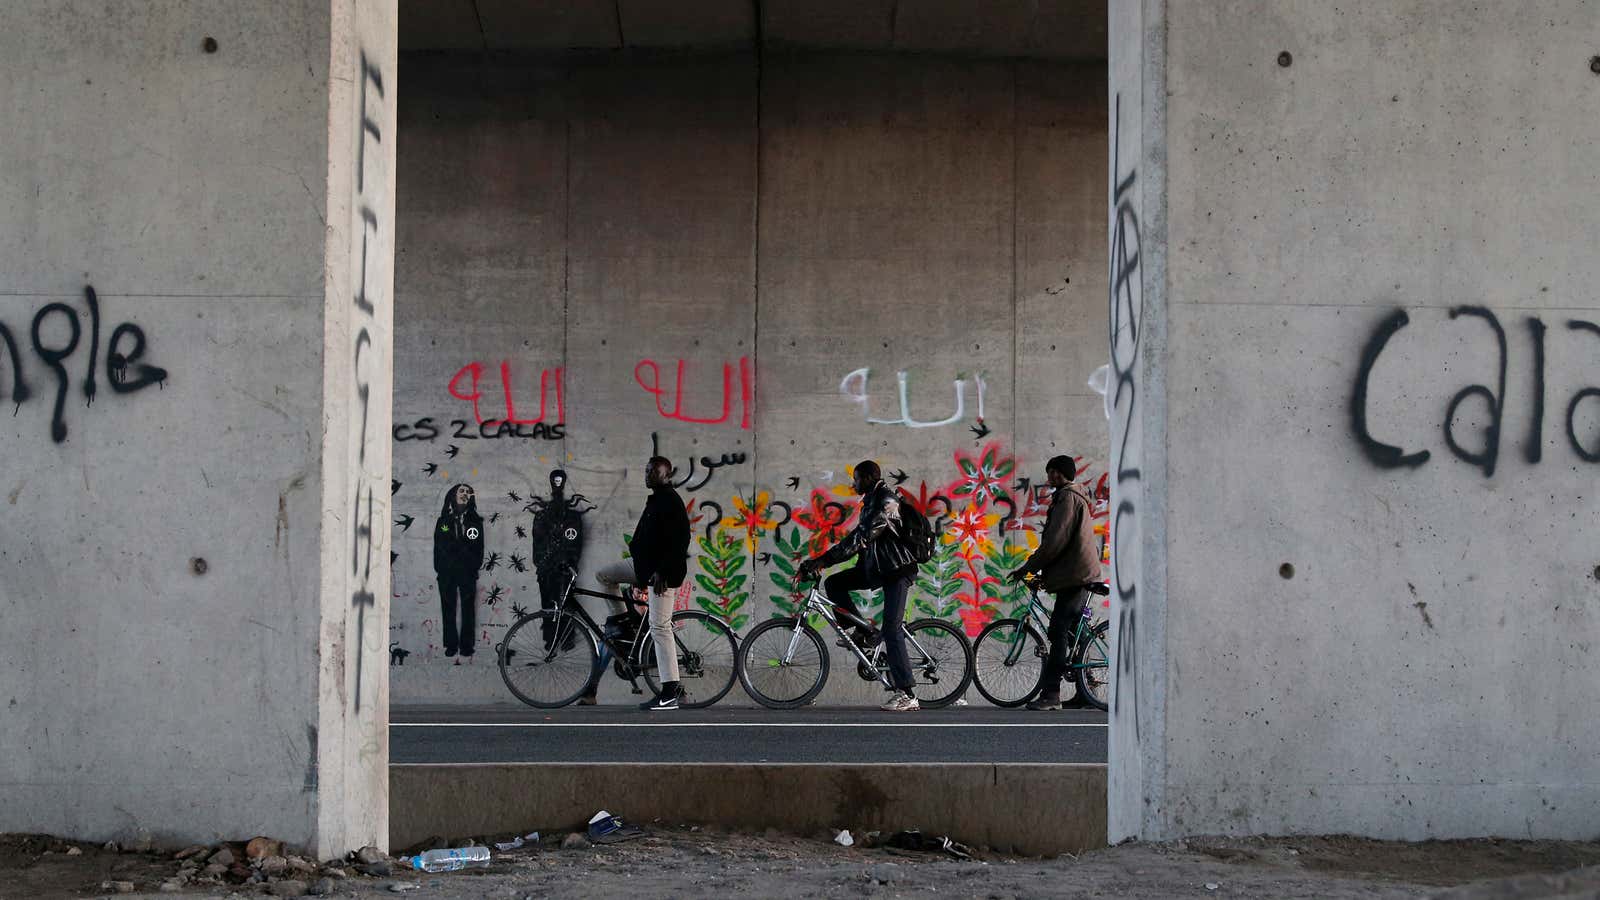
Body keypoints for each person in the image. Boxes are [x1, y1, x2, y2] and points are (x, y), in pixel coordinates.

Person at [798, 460, 922, 712]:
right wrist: (825, 562)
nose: (853, 484)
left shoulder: (886, 502)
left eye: (856, 479)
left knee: (891, 628)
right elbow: (859, 540)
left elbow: (861, 537)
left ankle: (907, 694)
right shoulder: (871, 501)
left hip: (897, 571)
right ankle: (863, 633)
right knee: (835, 583)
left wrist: (824, 559)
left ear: (867, 478)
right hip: (877, 569)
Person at [595, 456, 690, 710]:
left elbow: (679, 542)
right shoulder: (656, 499)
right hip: (643, 567)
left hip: (661, 575)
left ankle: (670, 691)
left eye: (653, 472)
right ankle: (625, 624)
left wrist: (662, 572)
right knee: (604, 576)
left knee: (659, 627)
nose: (647, 475)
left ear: (666, 475)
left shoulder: (670, 501)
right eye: (646, 470)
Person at [1008, 455, 1102, 710]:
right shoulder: (1073, 496)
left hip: (1076, 576)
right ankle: (1086, 690)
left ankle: (1051, 694)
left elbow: (1054, 543)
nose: (1048, 478)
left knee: (1058, 632)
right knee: (1074, 632)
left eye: (1050, 473)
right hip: (1078, 574)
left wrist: (1027, 568)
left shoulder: (1067, 498)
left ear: (1058, 474)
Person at [432, 483, 485, 660]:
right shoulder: (443, 521)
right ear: (453, 495)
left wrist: (473, 566)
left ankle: (467, 645)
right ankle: (451, 644)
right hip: (447, 573)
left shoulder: (475, 522)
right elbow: (438, 546)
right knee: (448, 608)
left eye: (468, 492)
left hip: (467, 572)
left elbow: (479, 547)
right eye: (461, 491)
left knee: (468, 609)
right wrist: (440, 568)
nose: (465, 494)